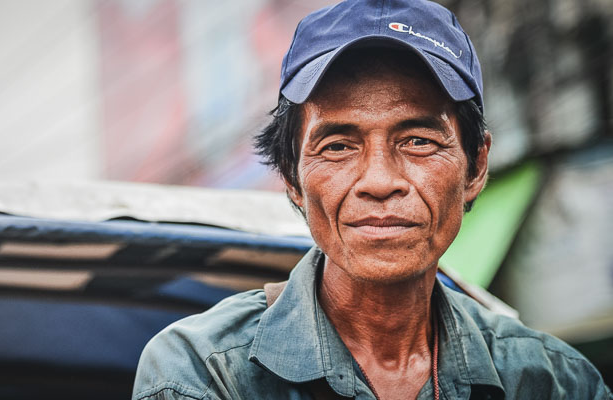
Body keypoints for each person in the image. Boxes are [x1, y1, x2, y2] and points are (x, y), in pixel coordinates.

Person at [133, 0, 612, 398]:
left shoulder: (555, 381)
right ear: (292, 179)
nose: (380, 181)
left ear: (476, 166)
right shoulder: (202, 370)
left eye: (419, 140)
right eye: (338, 146)